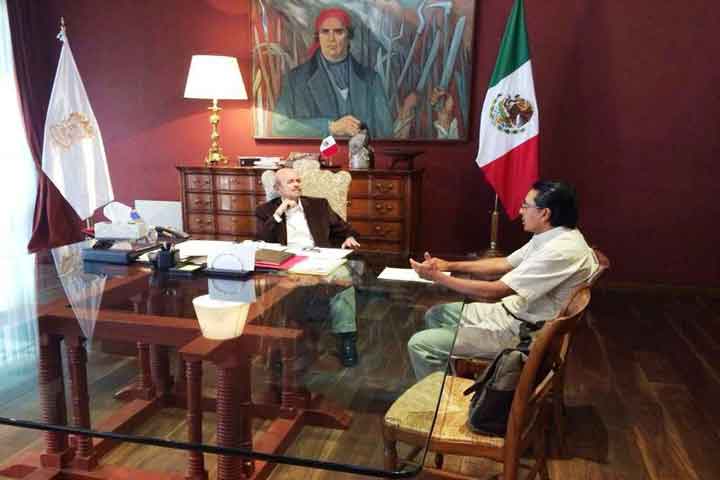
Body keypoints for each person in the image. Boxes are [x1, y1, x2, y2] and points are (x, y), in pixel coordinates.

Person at [407, 181, 598, 380]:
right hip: (515, 314)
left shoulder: (559, 251)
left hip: (522, 333)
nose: (520, 211)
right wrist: (448, 266)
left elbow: (495, 291)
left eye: (525, 206)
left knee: (420, 345)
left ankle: (443, 396)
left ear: (544, 213)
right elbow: (504, 263)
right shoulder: (553, 235)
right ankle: (450, 384)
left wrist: (437, 278)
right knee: (436, 315)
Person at [256, 168, 361, 366]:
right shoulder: (265, 211)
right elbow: (261, 241)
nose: (296, 184)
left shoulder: (319, 205)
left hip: (320, 258)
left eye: (298, 180)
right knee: (272, 285)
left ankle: (346, 338)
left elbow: (344, 228)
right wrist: (279, 213)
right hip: (287, 262)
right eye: (290, 182)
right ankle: (277, 342)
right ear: (278, 188)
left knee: (344, 280)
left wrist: (348, 236)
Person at [271, 7, 393, 139]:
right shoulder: (295, 80)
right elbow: (279, 127)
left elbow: (385, 133)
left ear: (349, 36)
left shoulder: (372, 80)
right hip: (317, 152)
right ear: (318, 37)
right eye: (325, 32)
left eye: (338, 32)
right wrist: (330, 127)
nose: (331, 39)